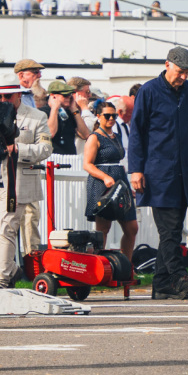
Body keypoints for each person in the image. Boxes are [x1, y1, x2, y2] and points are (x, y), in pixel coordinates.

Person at [129, 47, 188, 299]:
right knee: (170, 229)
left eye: (187, 73)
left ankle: (162, 286)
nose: (183, 77)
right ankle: (178, 276)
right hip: (157, 172)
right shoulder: (149, 91)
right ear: (167, 65)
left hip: (184, 172)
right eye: (180, 71)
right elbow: (137, 132)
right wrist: (136, 170)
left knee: (173, 231)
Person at [0, 77, 52, 287]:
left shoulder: (36, 117)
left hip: (16, 185)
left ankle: (1, 278)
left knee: (4, 230)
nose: (2, 100)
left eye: (7, 96)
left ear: (19, 95)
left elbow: (45, 149)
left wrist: (17, 150)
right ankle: (12, 269)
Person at [82, 101, 138, 260]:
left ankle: (125, 265)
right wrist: (105, 177)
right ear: (98, 116)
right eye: (107, 115)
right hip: (102, 183)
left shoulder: (117, 136)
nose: (112, 118)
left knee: (131, 228)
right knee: (103, 229)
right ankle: (98, 267)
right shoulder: (94, 137)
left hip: (119, 181)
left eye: (114, 115)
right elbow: (87, 164)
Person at [46, 78, 89, 155]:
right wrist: (54, 109)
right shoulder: (43, 112)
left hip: (70, 158)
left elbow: (85, 135)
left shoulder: (70, 113)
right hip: (52, 157)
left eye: (70, 95)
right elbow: (50, 133)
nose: (68, 98)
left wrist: (74, 110)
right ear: (53, 96)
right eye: (65, 95)